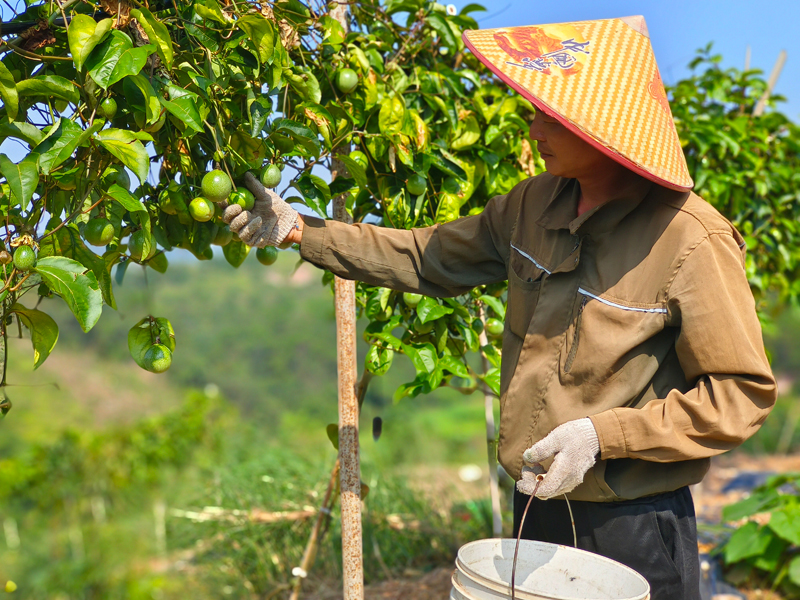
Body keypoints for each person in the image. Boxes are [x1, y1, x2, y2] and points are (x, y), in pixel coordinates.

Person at [223, 16, 776, 600]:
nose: (531, 125)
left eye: (547, 114)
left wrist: (601, 435)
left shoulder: (690, 241)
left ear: (597, 125)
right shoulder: (532, 206)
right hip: (535, 502)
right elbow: (425, 256)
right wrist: (300, 232)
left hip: (630, 522)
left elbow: (740, 396)